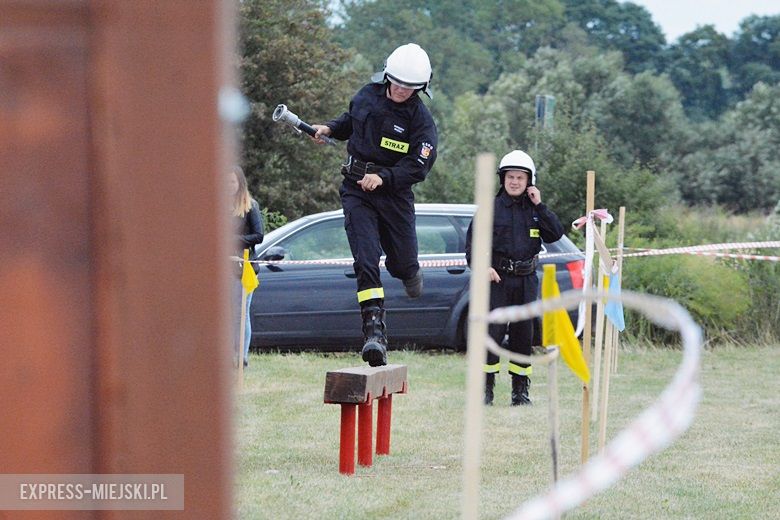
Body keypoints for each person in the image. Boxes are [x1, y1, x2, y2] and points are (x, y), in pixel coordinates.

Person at [311, 43, 438, 367]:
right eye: (395, 82)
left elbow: (418, 166)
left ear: (419, 89)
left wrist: (384, 178)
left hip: (394, 196)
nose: (399, 90)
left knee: (402, 264)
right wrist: (330, 128)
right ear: (386, 77)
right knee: (366, 260)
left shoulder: (421, 121)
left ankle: (408, 270)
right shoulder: (368, 94)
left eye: (407, 87)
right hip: (357, 192)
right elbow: (350, 121)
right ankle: (374, 334)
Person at [465, 150, 564, 405]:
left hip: (527, 281)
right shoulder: (491, 208)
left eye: (520, 177)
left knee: (523, 336)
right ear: (503, 178)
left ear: (529, 180)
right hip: (497, 280)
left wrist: (539, 205)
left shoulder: (534, 210)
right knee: (492, 334)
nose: (515, 182)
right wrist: (483, 267)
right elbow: (473, 244)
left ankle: (520, 392)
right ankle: (485, 392)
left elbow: (555, 233)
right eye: (510, 177)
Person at [229, 165, 264, 367]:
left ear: (240, 183)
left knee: (241, 313)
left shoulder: (250, 205)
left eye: (232, 182)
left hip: (243, 268)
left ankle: (242, 357)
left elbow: (258, 236)